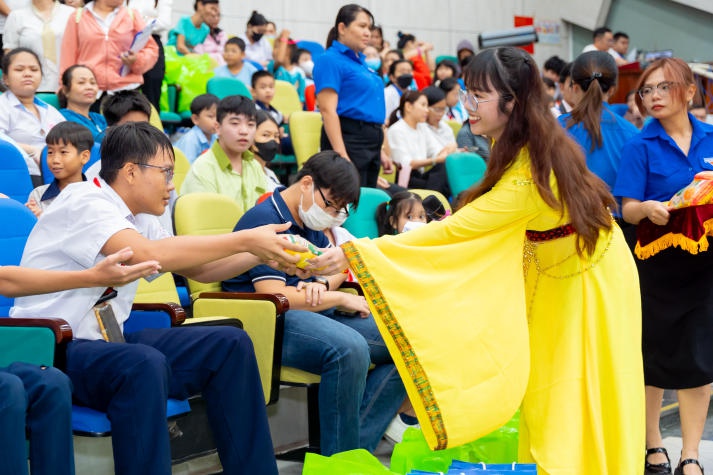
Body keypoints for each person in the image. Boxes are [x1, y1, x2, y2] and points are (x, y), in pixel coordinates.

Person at [309, 46, 644, 474]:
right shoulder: (529, 142)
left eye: (478, 96)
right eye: (467, 93)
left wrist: (353, 252)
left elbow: (454, 231)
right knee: (556, 393)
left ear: (513, 102)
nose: (467, 106)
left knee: (568, 392)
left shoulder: (527, 172)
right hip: (567, 268)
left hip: (584, 278)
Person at [11, 121, 305, 475]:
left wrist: (266, 254)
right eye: (165, 172)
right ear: (131, 172)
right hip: (58, 345)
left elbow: (203, 271)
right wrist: (245, 239)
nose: (171, 185)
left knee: (230, 342)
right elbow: (148, 253)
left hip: (107, 342)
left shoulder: (140, 215)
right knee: (141, 363)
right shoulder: (84, 200)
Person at [222, 150, 405, 455]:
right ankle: (340, 461)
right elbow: (275, 298)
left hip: (311, 312)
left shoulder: (309, 222)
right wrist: (338, 296)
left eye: (340, 211)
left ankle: (353, 451)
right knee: (349, 348)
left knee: (407, 340)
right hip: (268, 321)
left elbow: (333, 269)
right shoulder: (267, 220)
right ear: (307, 184)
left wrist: (321, 284)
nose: (333, 216)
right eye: (331, 205)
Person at [613, 57, 713, 475]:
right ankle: (653, 442)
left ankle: (691, 453)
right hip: (654, 265)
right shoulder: (640, 145)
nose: (653, 97)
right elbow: (627, 207)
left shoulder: (711, 136)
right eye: (646, 90)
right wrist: (647, 209)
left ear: (689, 92)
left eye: (663, 88)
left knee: (699, 358)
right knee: (650, 356)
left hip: (704, 263)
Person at [314, 4, 391, 188]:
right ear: (342, 28)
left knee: (365, 199)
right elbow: (328, 111)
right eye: (362, 26)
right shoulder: (330, 59)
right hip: (349, 138)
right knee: (347, 201)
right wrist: (341, 155)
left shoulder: (362, 63)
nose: (368, 33)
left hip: (371, 141)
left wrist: (379, 150)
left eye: (369, 28)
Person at [558, 51, 639, 197]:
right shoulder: (632, 133)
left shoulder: (556, 128)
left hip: (567, 216)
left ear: (574, 87)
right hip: (617, 217)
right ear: (613, 89)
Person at [60, 0, 159, 107]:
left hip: (126, 92)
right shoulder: (77, 17)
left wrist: (136, 60)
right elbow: (68, 57)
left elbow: (151, 49)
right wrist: (63, 88)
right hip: (89, 94)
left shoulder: (132, 15)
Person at [181, 95, 267, 212]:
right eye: (235, 123)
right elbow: (204, 224)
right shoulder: (202, 169)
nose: (244, 131)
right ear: (218, 128)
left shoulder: (255, 166)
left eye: (250, 125)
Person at [0, 47, 65, 183]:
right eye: (19, 69)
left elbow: (69, 139)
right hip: (18, 176)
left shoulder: (50, 110)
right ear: (6, 78)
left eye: (34, 70)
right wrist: (32, 150)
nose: (27, 74)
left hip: (57, 174)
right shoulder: (3, 106)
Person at [388, 90, 455, 196]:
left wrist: (450, 148)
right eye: (423, 105)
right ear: (409, 107)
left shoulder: (422, 127)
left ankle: (432, 202)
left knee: (444, 168)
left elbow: (436, 151)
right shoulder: (396, 130)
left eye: (427, 106)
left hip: (421, 176)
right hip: (406, 178)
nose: (427, 110)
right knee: (442, 182)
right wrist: (436, 159)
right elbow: (407, 164)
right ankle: (433, 204)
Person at [2, 0, 73, 92]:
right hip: (29, 87)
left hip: (66, 87)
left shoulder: (71, 14)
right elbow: (10, 55)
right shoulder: (17, 16)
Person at [26, 121, 92, 216]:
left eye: (63, 152)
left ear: (84, 157)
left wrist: (44, 219)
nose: (55, 160)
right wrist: (34, 218)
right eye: (50, 152)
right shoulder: (38, 195)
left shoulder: (96, 194)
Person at [128, 0, 173, 111]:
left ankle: (151, 126)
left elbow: (164, 22)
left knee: (152, 91)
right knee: (125, 92)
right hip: (126, 40)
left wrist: (137, 21)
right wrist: (146, 19)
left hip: (151, 40)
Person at [58, 65, 107, 143]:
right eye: (81, 83)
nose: (89, 87)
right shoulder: (62, 118)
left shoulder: (99, 118)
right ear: (65, 90)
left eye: (93, 83)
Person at [173, 93, 218, 163]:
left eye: (219, 116)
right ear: (195, 119)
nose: (216, 121)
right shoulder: (190, 140)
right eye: (211, 116)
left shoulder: (216, 136)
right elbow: (187, 169)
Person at [272, 30, 306, 105]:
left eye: (277, 47)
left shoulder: (299, 72)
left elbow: (301, 97)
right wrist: (283, 36)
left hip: (293, 108)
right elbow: (280, 59)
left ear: (288, 50)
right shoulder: (274, 66)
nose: (273, 51)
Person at [251, 109, 281, 191]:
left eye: (276, 136)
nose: (273, 141)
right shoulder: (245, 174)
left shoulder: (270, 173)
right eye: (266, 135)